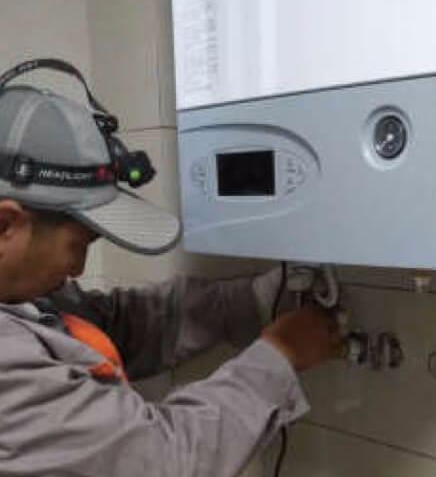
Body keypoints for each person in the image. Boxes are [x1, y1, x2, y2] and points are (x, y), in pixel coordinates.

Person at [0, 59, 341, 476]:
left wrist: (250, 300)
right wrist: (280, 357)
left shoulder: (18, 297)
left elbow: (116, 323)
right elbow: (162, 460)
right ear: (6, 225)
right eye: (78, 245)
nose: (78, 269)